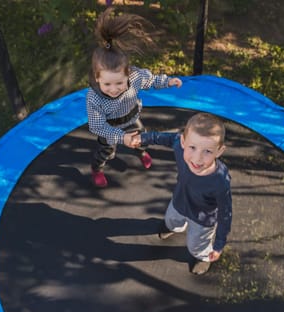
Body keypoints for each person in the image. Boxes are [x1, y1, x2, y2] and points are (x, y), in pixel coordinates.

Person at [87, 7, 183, 187]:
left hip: (131, 118)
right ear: (97, 77)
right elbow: (97, 125)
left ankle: (142, 151)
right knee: (106, 151)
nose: (114, 89)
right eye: (107, 84)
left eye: (119, 83)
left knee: (141, 138)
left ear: (128, 74)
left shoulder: (135, 77)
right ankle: (96, 168)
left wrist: (168, 82)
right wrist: (121, 137)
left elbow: (152, 80)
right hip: (110, 127)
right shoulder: (94, 97)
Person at [130, 113, 232, 275]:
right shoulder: (179, 145)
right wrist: (144, 138)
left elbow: (225, 214)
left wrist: (219, 244)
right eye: (192, 148)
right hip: (179, 201)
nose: (197, 159)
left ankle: (202, 257)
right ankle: (173, 227)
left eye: (207, 151)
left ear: (219, 151)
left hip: (202, 219)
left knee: (196, 244)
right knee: (171, 221)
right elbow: (166, 138)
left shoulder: (220, 181)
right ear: (184, 143)